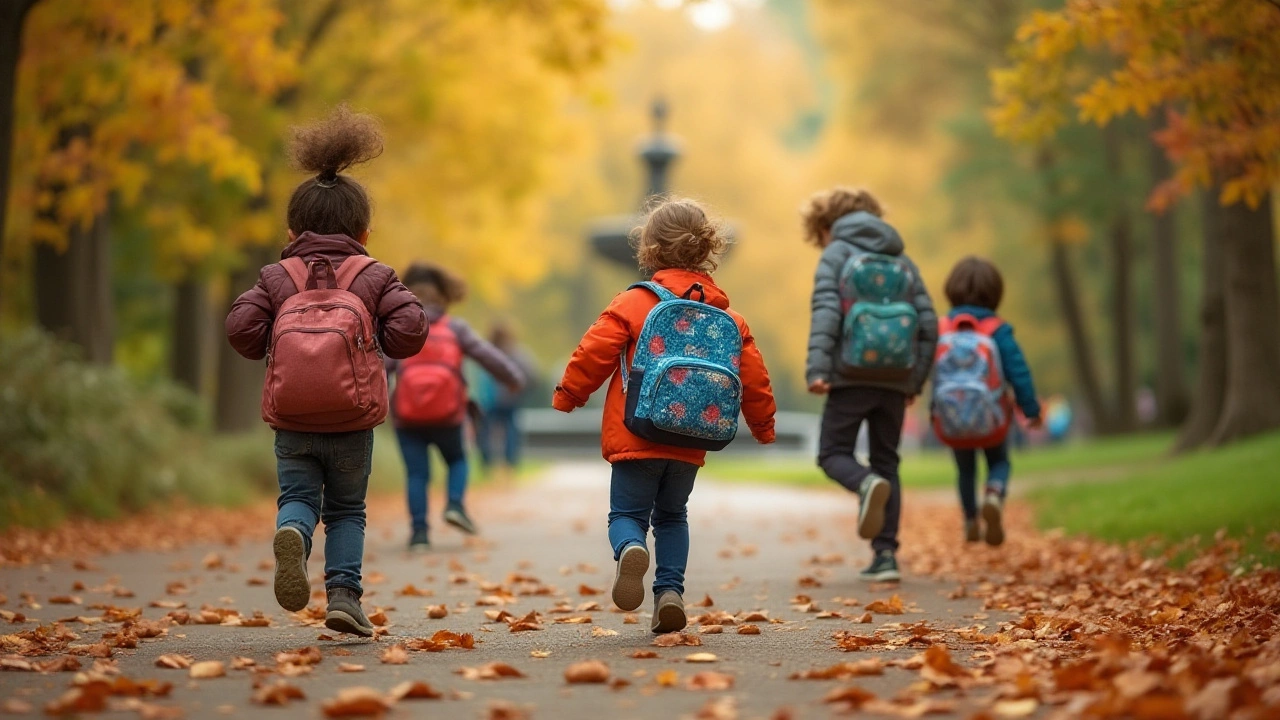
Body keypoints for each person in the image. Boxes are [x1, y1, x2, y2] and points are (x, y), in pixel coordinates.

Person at [225, 106, 428, 637]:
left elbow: (240, 329)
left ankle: (292, 531)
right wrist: (371, 342)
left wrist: (277, 337)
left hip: (291, 418)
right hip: (352, 419)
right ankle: (343, 597)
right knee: (346, 510)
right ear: (364, 229)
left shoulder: (278, 275)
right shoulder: (374, 274)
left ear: (293, 229)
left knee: (297, 497)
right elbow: (411, 331)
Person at [554, 198, 777, 633]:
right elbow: (754, 378)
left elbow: (593, 353)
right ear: (707, 250)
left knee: (626, 516)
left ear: (649, 250)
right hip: (691, 438)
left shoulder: (634, 302)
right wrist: (764, 428)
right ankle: (669, 593)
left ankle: (632, 548)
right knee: (673, 516)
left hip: (636, 433)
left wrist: (568, 396)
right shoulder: (727, 316)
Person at [802, 187, 938, 583]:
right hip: (896, 379)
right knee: (887, 461)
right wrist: (914, 380)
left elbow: (827, 311)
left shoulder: (836, 253)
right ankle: (885, 557)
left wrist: (817, 369)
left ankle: (865, 484)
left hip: (850, 375)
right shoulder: (903, 259)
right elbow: (928, 325)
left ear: (826, 227)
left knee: (832, 454)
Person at [388, 263, 524, 551]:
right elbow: (488, 356)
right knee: (458, 460)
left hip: (407, 416)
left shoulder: (398, 329)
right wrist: (513, 378)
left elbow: (378, 367)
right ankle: (454, 504)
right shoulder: (455, 328)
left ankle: (419, 535)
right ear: (444, 296)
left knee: (417, 474)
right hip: (448, 416)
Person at [935, 256, 1042, 546]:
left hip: (952, 419)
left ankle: (970, 520)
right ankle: (993, 495)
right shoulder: (997, 329)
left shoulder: (942, 328)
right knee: (999, 461)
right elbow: (1018, 371)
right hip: (993, 416)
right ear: (995, 293)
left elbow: (925, 368)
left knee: (965, 469)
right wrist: (1030, 408)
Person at [476, 321, 538, 472]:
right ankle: (510, 463)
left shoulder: (485, 351)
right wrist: (521, 390)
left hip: (489, 400)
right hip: (511, 398)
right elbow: (532, 375)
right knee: (511, 430)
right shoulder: (518, 353)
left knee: (486, 431)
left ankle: (487, 463)